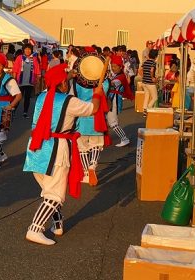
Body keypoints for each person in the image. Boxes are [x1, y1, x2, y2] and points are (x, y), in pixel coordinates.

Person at [23, 63, 104, 245]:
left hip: (36, 148)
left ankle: (57, 224)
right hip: (56, 149)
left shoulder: (42, 96)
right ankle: (34, 229)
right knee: (54, 195)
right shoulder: (69, 102)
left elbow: (57, 83)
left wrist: (66, 77)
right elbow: (94, 109)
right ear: (63, 83)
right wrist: (97, 93)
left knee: (49, 189)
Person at [73, 47, 110, 187]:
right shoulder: (103, 83)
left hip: (82, 116)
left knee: (82, 146)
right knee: (96, 144)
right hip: (96, 116)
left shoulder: (77, 83)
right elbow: (104, 94)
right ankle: (92, 166)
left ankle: (86, 173)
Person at [107, 55, 132, 147]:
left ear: (120, 67)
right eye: (112, 66)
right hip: (111, 99)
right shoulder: (117, 75)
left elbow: (111, 85)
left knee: (113, 122)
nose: (113, 68)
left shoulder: (120, 77)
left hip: (114, 100)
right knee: (109, 121)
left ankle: (124, 139)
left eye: (115, 66)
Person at [12, 44, 41, 119]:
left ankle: (25, 112)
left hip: (30, 82)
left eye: (29, 49)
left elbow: (37, 70)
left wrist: (37, 79)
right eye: (26, 49)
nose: (27, 51)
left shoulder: (34, 59)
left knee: (27, 98)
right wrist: (14, 79)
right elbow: (15, 69)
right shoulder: (19, 58)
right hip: (20, 81)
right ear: (23, 50)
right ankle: (13, 111)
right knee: (18, 97)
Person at [141, 49, 159, 116]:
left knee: (147, 96)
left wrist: (144, 76)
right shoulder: (153, 63)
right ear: (155, 56)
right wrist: (152, 78)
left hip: (144, 82)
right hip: (150, 83)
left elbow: (140, 70)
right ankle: (148, 108)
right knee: (155, 97)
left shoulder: (145, 62)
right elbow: (151, 70)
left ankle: (144, 110)